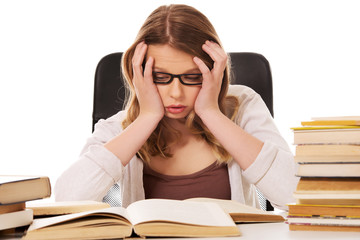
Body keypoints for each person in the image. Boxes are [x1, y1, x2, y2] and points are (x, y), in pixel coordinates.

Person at [55, 4, 299, 210]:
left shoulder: (243, 105)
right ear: (138, 74)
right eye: (161, 77)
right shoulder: (121, 128)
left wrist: (212, 114)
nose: (176, 93)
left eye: (192, 77)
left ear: (213, 71)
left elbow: (297, 197)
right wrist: (147, 117)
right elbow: (66, 201)